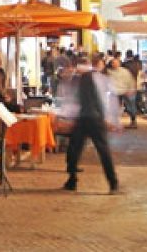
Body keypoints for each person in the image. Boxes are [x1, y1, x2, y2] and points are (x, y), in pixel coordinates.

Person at [61, 56, 119, 193]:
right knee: (89, 150)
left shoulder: (87, 79)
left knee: (77, 149)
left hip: (87, 118)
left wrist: (110, 119)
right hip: (90, 118)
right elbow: (108, 99)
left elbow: (74, 99)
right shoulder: (97, 78)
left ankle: (74, 180)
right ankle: (112, 183)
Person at [106, 57, 137, 129]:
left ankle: (133, 120)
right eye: (113, 63)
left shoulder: (125, 71)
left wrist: (131, 89)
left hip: (125, 90)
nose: (115, 64)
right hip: (115, 91)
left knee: (130, 104)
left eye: (117, 63)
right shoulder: (109, 71)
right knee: (114, 106)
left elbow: (131, 81)